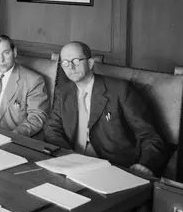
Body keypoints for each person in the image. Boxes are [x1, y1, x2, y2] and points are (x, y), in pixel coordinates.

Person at [44, 41, 169, 176]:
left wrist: (145, 165)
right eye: (65, 63)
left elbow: (150, 135)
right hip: (73, 163)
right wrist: (67, 155)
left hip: (114, 166)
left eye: (76, 61)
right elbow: (52, 128)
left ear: (90, 63)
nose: (71, 67)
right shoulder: (63, 91)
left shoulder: (121, 90)